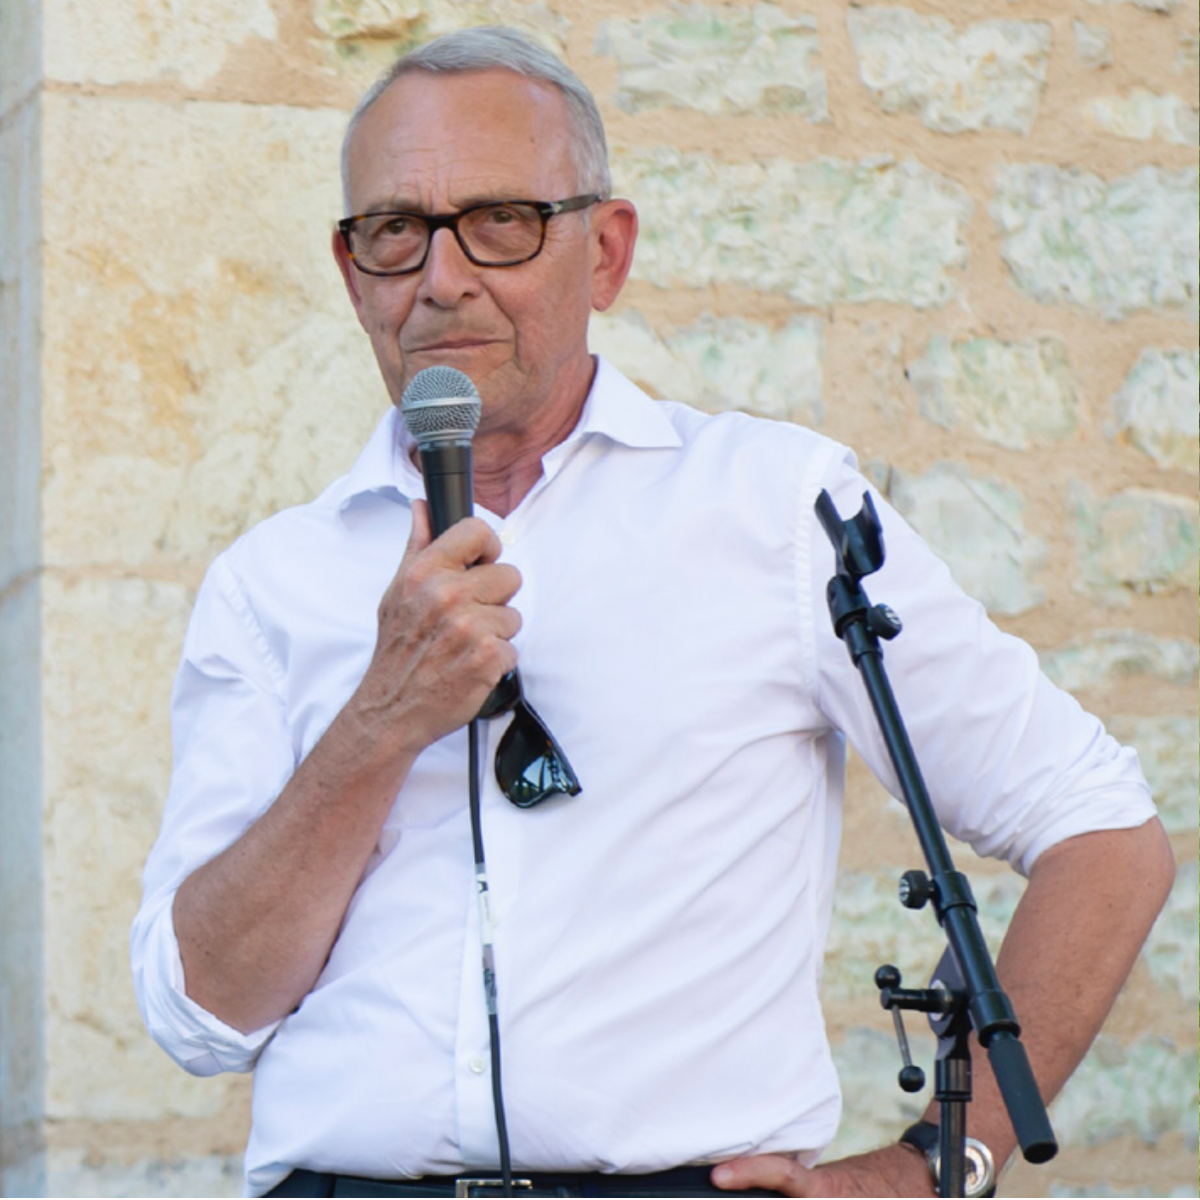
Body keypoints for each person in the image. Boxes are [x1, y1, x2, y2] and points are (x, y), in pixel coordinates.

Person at [131, 25, 1174, 1199]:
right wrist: (381, 720)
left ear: (607, 252)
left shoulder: (775, 509)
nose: (442, 277)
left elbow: (1100, 828)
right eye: (395, 230)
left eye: (501, 221)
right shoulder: (270, 581)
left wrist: (931, 1166)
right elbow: (201, 1012)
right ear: (350, 268)